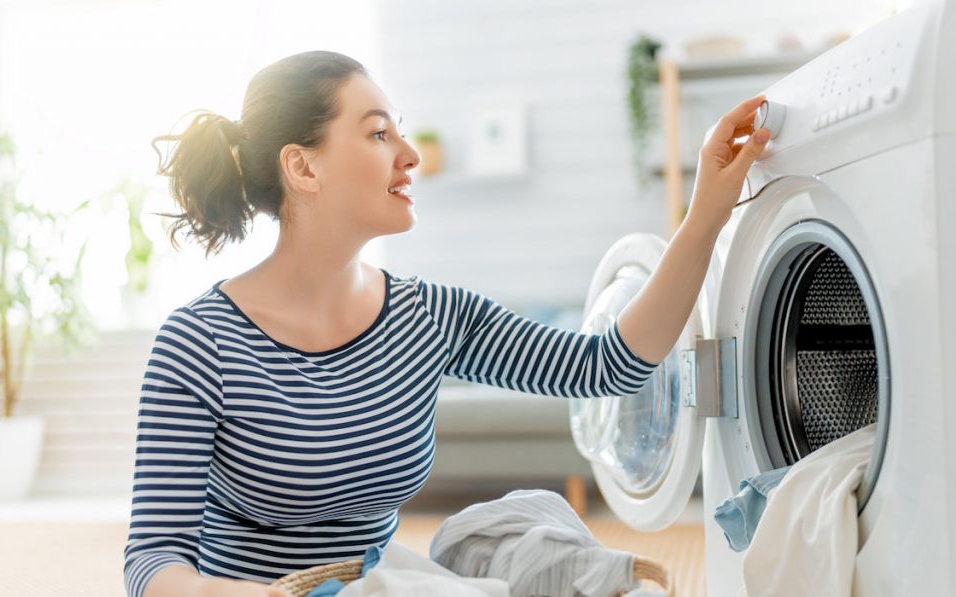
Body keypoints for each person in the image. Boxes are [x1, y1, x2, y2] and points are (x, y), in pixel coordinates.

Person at [122, 50, 771, 597]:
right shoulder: (198, 344)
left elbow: (607, 365)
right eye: (379, 134)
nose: (410, 156)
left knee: (526, 524)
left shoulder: (428, 315)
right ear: (302, 166)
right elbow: (154, 563)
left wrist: (706, 214)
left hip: (379, 587)